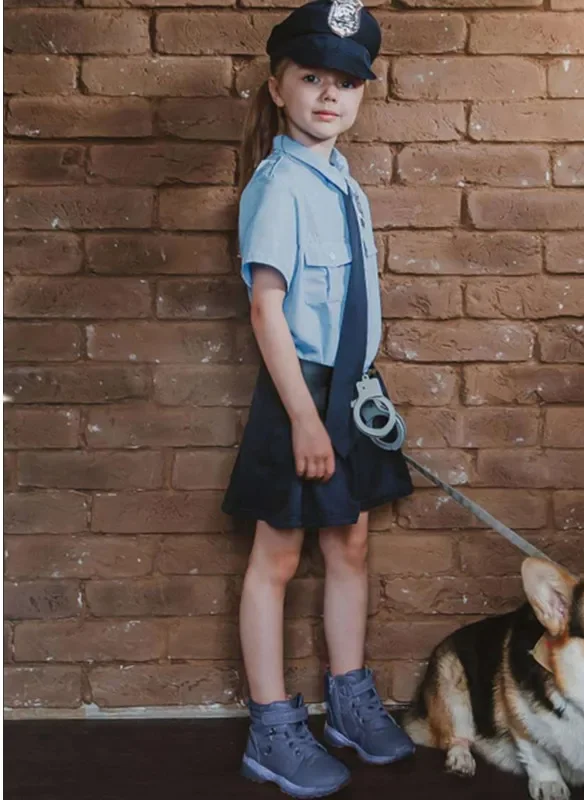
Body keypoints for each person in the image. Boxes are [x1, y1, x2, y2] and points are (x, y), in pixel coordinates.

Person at [221, 0, 415, 796]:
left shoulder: (341, 181)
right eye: (311, 79)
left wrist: (361, 394)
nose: (329, 96)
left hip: (352, 391)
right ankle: (272, 726)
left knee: (351, 546)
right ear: (277, 88)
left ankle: (349, 699)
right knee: (279, 555)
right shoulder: (279, 185)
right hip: (299, 391)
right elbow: (267, 307)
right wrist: (304, 415)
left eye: (347, 83)